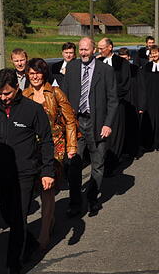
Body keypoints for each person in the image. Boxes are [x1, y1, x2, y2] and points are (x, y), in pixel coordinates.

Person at [0, 69, 55, 274]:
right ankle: (31, 243)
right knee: (7, 215)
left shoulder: (33, 109)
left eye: (7, 93)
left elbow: (46, 140)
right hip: (1, 172)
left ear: (17, 88)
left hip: (25, 172)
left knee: (18, 218)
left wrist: (47, 171)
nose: (3, 98)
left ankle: (14, 264)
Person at [22, 58, 78, 249]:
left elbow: (70, 120)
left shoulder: (55, 93)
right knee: (37, 188)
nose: (35, 76)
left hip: (55, 146)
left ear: (44, 74)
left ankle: (44, 233)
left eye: (38, 72)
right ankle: (50, 219)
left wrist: (72, 146)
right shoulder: (24, 95)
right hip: (31, 148)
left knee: (47, 188)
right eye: (31, 73)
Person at [62, 37, 118, 217]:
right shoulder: (71, 68)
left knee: (97, 163)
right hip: (76, 123)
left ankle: (93, 199)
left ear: (94, 50)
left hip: (98, 123)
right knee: (74, 164)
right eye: (81, 49)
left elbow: (113, 100)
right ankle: (75, 202)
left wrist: (108, 124)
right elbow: (64, 98)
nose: (83, 53)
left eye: (86, 49)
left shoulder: (106, 71)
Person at [96, 38, 131, 175]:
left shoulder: (122, 63)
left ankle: (113, 163)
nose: (99, 51)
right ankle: (101, 163)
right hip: (99, 105)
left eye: (102, 48)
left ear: (110, 47)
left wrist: (112, 97)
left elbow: (125, 84)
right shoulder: (97, 62)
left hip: (116, 104)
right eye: (98, 48)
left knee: (115, 133)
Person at [117, 47, 141, 159]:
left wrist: (141, 104)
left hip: (134, 101)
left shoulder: (135, 69)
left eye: (125, 58)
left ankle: (133, 151)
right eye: (121, 59)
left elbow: (142, 88)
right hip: (121, 103)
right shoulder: (116, 70)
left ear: (129, 57)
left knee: (133, 127)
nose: (123, 61)